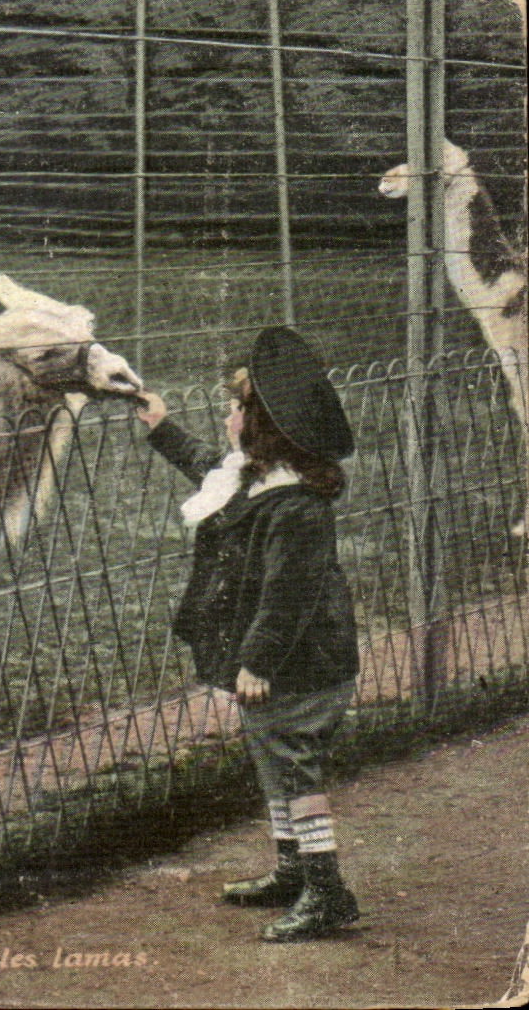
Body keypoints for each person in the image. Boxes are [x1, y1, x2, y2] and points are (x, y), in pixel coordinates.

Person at [134, 326, 361, 943]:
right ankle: (293, 872)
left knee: (295, 771)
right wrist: (161, 425)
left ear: (264, 430)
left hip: (302, 663)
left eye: (237, 409)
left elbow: (289, 596)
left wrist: (257, 661)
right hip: (285, 661)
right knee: (273, 764)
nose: (227, 417)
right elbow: (208, 466)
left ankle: (327, 892)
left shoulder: (296, 506)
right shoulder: (256, 477)